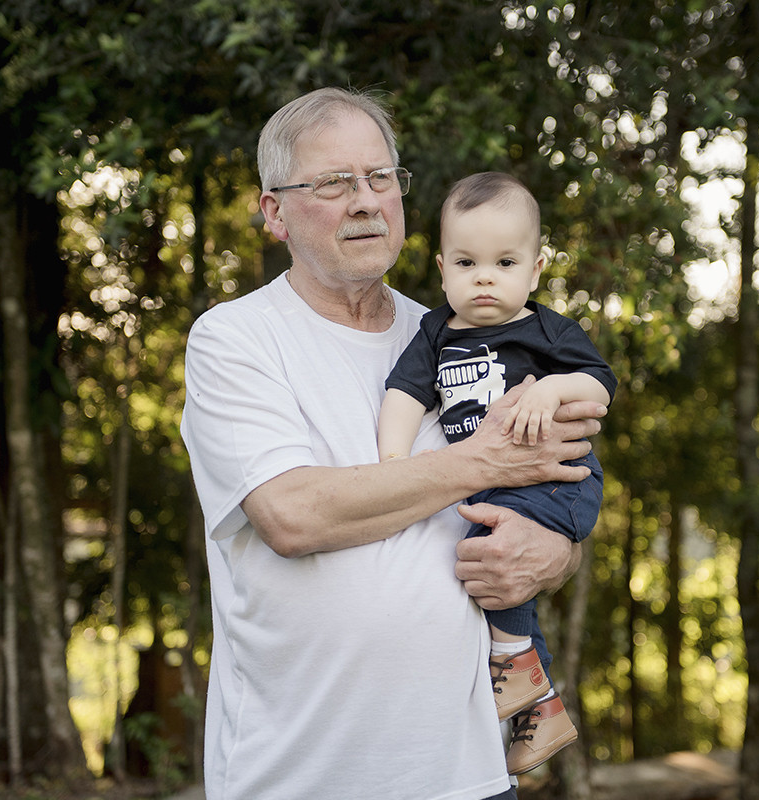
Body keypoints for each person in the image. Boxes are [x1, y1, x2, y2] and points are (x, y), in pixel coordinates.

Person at [180, 87, 606, 800]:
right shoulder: (235, 339)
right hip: (300, 778)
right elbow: (293, 516)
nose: (365, 200)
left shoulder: (464, 332)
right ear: (274, 212)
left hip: (466, 776)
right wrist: (482, 461)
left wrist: (555, 553)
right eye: (333, 183)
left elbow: (554, 479)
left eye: (381, 178)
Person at [378, 172, 616, 774]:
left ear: (535, 271)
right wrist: (392, 463)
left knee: (489, 549)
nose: (485, 277)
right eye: (467, 262)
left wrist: (554, 388)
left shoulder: (545, 329)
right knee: (490, 553)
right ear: (441, 269)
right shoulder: (434, 332)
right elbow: (404, 394)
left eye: (505, 262)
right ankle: (543, 711)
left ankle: (511, 664)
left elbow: (600, 385)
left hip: (558, 481)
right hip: (498, 488)